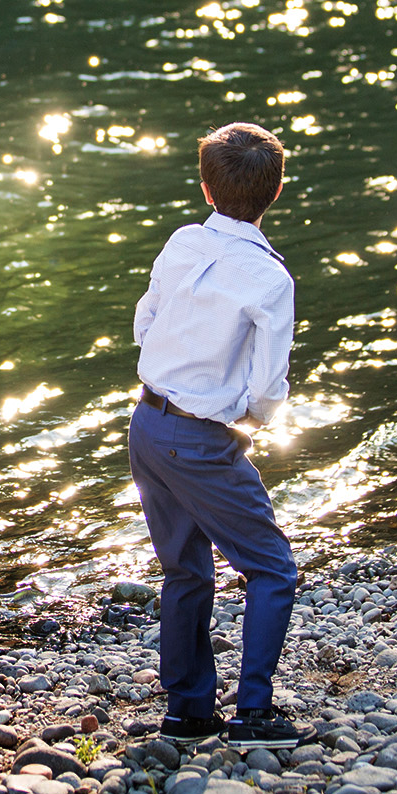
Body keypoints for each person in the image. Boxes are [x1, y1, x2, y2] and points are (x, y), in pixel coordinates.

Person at [128, 122, 304, 746]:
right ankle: (254, 710)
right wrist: (252, 423)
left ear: (205, 188)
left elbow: (144, 324)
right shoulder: (270, 278)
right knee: (272, 567)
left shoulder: (181, 243)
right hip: (201, 439)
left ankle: (187, 710)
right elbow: (268, 384)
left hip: (146, 425)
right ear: (275, 192)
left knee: (184, 571)